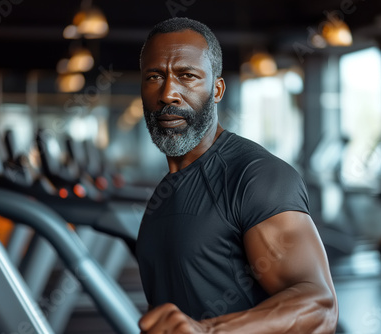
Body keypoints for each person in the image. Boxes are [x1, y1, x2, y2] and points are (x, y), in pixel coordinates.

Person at [136, 17, 338, 333]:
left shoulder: (257, 176)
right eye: (154, 77)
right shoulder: (165, 192)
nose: (168, 94)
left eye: (186, 76)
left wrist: (210, 330)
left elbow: (319, 307)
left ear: (216, 90)